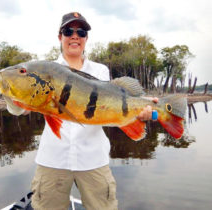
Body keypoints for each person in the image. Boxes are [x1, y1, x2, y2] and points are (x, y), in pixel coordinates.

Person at [28, 12, 157, 210]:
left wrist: (141, 112)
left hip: (93, 160)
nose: (74, 36)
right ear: (60, 36)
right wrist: (12, 94)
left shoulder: (99, 71)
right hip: (52, 159)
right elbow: (19, 110)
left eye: (81, 32)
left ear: (86, 38)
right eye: (68, 31)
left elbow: (112, 108)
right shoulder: (45, 71)